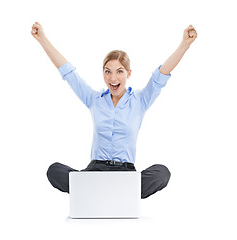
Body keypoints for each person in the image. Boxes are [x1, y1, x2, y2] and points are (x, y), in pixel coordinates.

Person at [31, 22, 197, 199]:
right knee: (54, 170)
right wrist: (42, 39)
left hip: (125, 174)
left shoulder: (140, 101)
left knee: (162, 173)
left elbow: (161, 75)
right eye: (107, 72)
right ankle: (114, 194)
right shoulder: (94, 99)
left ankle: (100, 194)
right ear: (103, 74)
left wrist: (184, 44)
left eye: (119, 71)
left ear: (128, 74)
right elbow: (69, 73)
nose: (113, 78)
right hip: (95, 172)